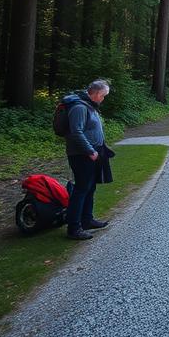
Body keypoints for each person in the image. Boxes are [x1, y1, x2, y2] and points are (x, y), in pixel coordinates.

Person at [64, 80, 114, 240]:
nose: (103, 99)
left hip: (92, 154)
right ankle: (74, 228)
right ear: (97, 93)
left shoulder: (89, 105)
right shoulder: (79, 107)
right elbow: (76, 132)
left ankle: (87, 220)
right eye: (103, 95)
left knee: (90, 188)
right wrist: (90, 150)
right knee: (80, 190)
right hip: (81, 155)